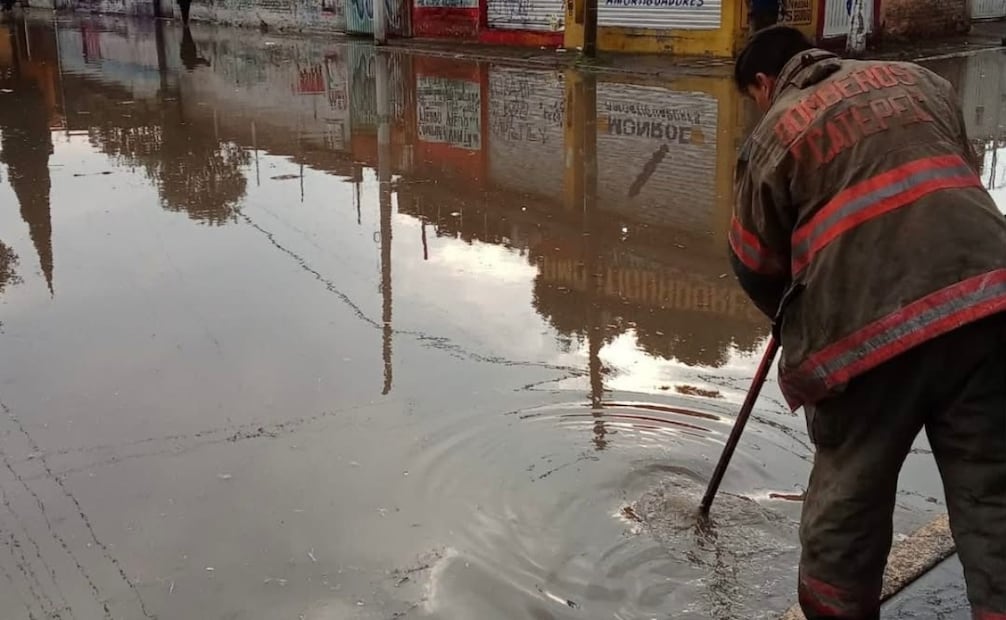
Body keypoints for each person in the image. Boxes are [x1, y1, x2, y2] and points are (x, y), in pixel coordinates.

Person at [730, 26, 1006, 620]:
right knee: (995, 493)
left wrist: (794, 317)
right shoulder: (925, 83)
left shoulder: (776, 129)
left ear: (762, 82)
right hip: (990, 303)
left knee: (847, 506)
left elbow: (754, 262)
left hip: (867, 339)